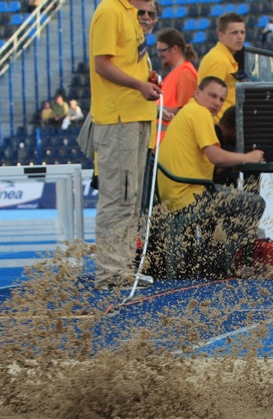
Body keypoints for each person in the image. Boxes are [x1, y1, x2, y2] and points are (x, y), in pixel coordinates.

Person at [157, 76, 266, 278]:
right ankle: (218, 262)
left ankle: (207, 257)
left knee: (224, 195)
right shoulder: (200, 113)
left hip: (175, 192)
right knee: (254, 203)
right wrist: (248, 157)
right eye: (212, 96)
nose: (216, 102)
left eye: (221, 99)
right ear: (197, 93)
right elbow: (215, 157)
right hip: (189, 194)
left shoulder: (188, 112)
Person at [89, 0, 161, 289]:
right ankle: (110, 272)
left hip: (136, 116)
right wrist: (139, 85)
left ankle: (122, 267)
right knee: (118, 196)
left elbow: (125, 63)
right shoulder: (109, 10)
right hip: (119, 118)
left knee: (129, 198)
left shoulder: (130, 14)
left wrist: (147, 79)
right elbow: (101, 64)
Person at [198, 12, 245, 121]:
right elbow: (210, 101)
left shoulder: (223, 57)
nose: (240, 36)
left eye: (242, 32)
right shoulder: (220, 61)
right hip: (218, 126)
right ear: (221, 35)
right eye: (234, 33)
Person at [155, 28, 199, 142]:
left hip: (171, 142)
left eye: (162, 51)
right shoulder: (175, 73)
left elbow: (186, 112)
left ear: (175, 48)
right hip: (162, 142)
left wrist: (156, 110)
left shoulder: (185, 73)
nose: (159, 55)